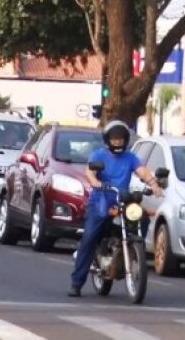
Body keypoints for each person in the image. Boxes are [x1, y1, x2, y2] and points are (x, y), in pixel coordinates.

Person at [68, 120, 163, 297]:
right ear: (108, 140)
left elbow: (142, 171)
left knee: (141, 218)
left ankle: (134, 251)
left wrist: (153, 185)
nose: (117, 142)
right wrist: (96, 182)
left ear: (126, 140)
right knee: (89, 238)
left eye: (120, 139)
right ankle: (76, 283)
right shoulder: (99, 156)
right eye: (114, 139)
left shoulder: (130, 157)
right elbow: (90, 172)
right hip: (101, 202)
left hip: (123, 201)